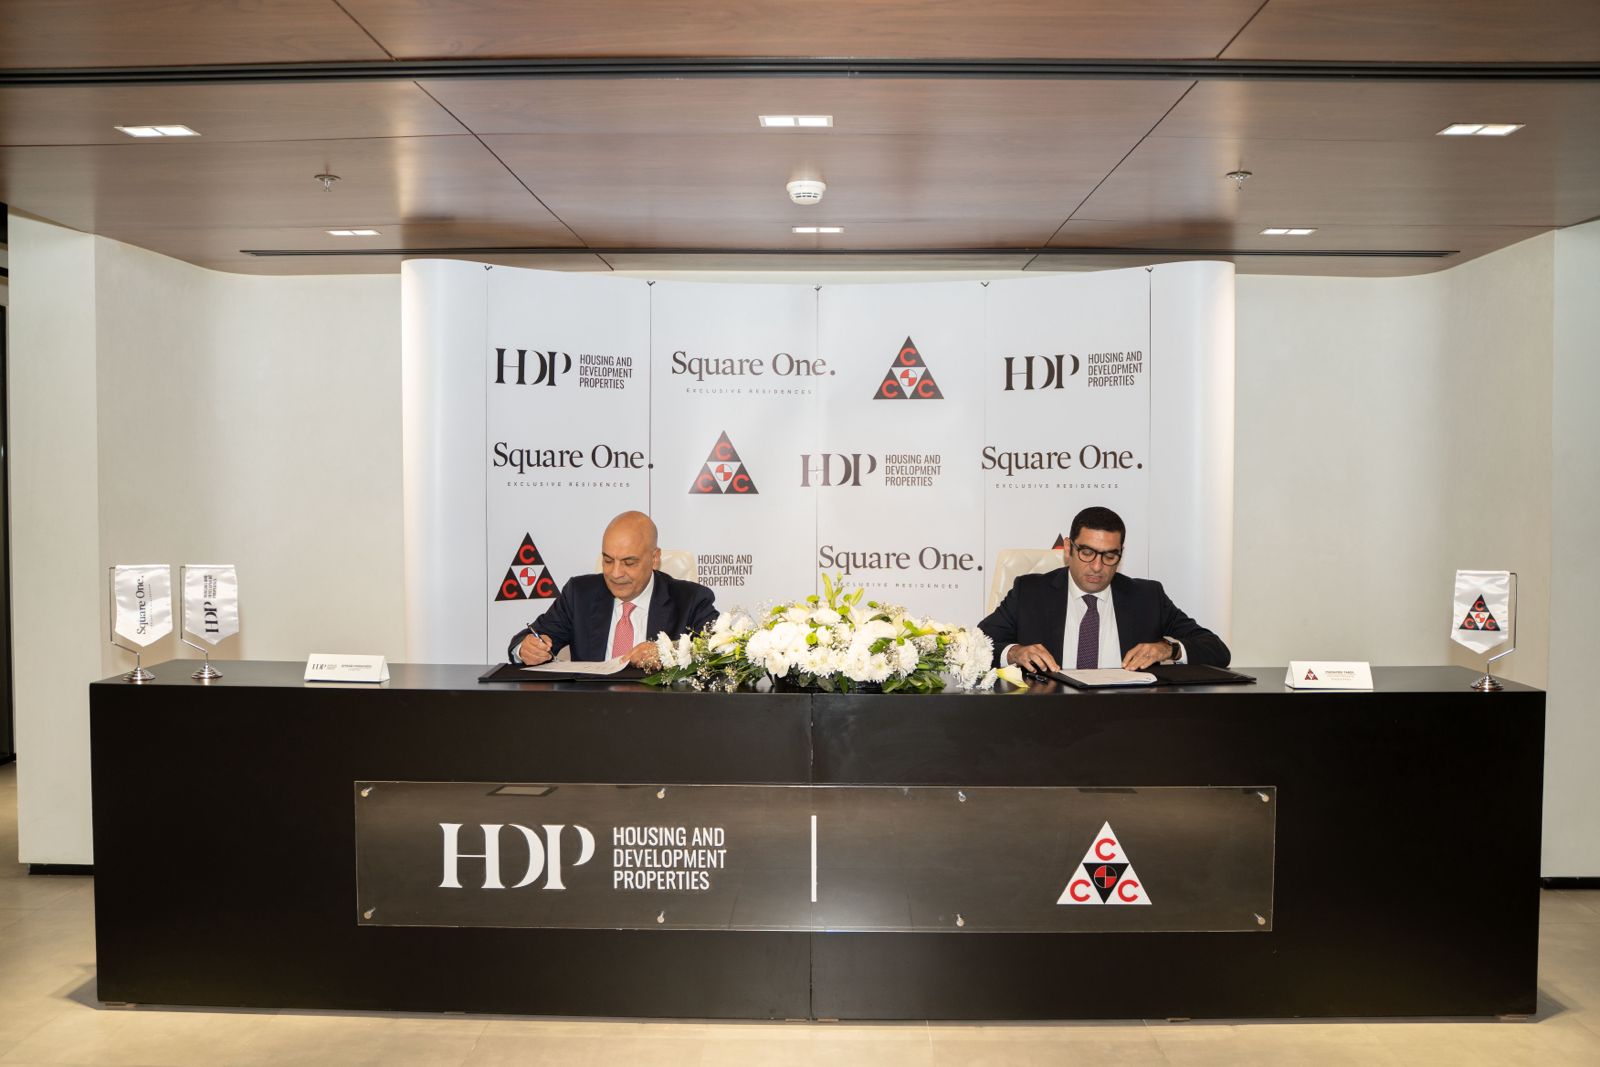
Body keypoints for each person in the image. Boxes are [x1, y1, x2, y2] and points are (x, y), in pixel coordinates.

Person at [979, 505, 1229, 673]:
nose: (1097, 567)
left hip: (1127, 719)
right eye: (1087, 553)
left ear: (1121, 554)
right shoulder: (1030, 592)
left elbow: (1217, 650)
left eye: (1109, 556)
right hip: (1047, 716)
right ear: (1068, 548)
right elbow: (974, 646)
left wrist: (1169, 650)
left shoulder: (1147, 597)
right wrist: (1014, 653)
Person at [507, 511, 718, 668]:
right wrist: (525, 649)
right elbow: (532, 637)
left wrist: (667, 652)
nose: (615, 573)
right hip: (590, 708)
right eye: (608, 560)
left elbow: (719, 650)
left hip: (659, 710)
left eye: (629, 562)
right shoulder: (579, 594)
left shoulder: (691, 599)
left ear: (654, 558)